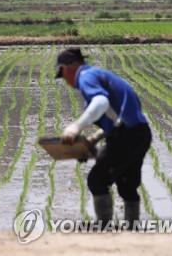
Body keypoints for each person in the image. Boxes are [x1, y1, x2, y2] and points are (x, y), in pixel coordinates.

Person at [56, 47, 152, 228]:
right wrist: (93, 140)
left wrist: (75, 127)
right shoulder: (103, 76)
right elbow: (121, 117)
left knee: (97, 180)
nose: (66, 80)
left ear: (69, 67)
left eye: (62, 74)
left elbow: (101, 102)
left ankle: (104, 230)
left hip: (126, 136)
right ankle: (133, 231)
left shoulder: (86, 77)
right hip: (141, 133)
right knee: (127, 186)